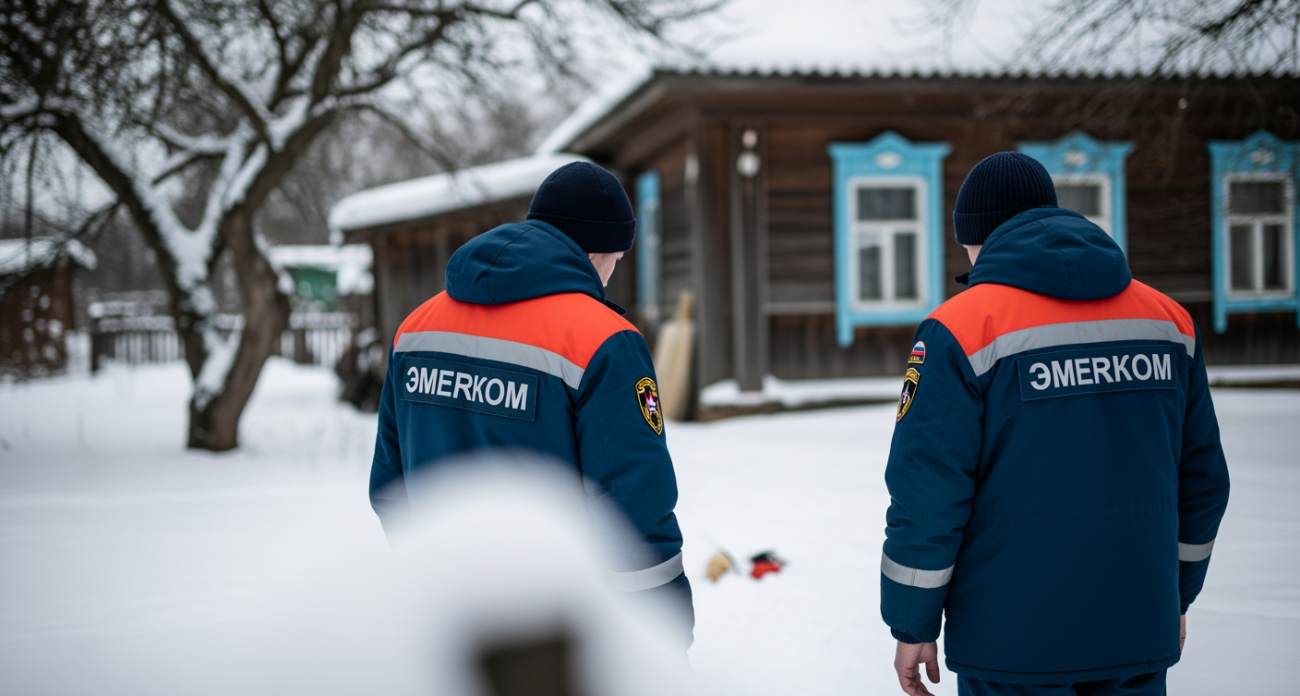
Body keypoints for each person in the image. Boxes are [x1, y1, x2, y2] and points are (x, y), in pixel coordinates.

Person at [880, 152, 1230, 696]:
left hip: (1010, 642)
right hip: (1136, 626)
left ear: (974, 235)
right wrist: (1172, 596)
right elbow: (1204, 481)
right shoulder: (1168, 321)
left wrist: (913, 622)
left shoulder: (960, 328)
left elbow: (927, 493)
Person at [368, 161, 693, 645]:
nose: (612, 270)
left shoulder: (417, 327)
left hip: (441, 621)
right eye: (618, 256)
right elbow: (633, 507)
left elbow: (390, 486)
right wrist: (663, 637)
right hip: (553, 632)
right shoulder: (603, 339)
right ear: (600, 247)